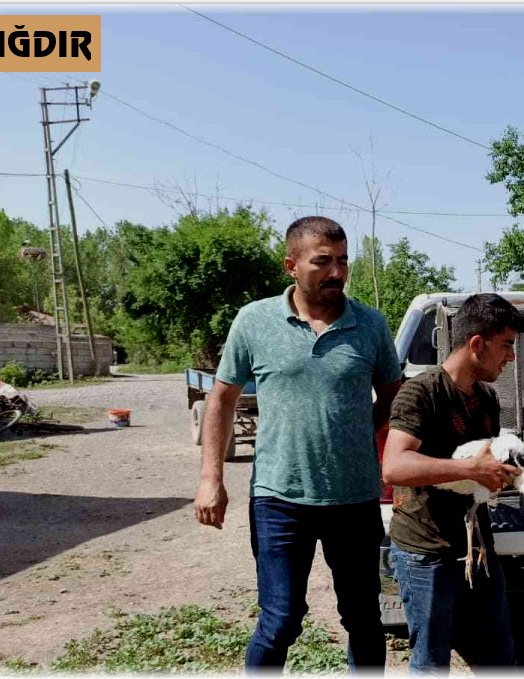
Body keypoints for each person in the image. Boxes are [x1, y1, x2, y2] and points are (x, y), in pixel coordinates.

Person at [193, 216, 402, 673]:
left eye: (343, 261)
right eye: (322, 262)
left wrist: (360, 438)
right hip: (279, 497)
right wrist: (211, 477)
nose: (336, 272)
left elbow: (392, 395)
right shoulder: (255, 321)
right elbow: (222, 399)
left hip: (355, 497)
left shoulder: (370, 324)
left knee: (365, 619)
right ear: (291, 264)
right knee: (281, 619)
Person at [382, 293, 524, 675]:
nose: (511, 357)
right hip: (426, 548)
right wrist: (470, 470)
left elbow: (487, 469)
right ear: (477, 344)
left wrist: (514, 475)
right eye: (507, 345)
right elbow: (394, 466)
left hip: (477, 547)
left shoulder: (486, 399)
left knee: (499, 657)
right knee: (432, 663)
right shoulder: (422, 392)